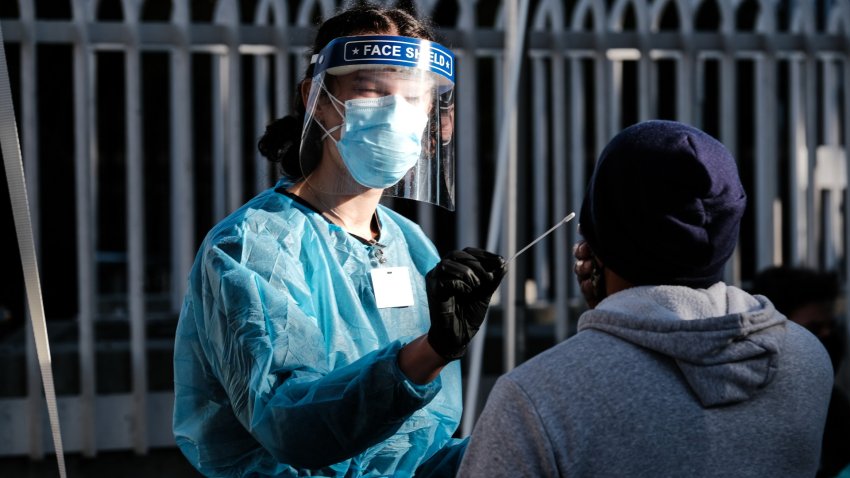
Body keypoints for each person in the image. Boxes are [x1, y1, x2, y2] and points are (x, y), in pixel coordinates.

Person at [172, 4, 506, 477]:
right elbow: (289, 425)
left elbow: (416, 453)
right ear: (318, 97)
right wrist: (427, 352)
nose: (395, 113)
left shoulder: (409, 245)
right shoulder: (253, 248)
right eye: (371, 90)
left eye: (413, 97)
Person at [457, 120, 834, 477]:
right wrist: (616, 325)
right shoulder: (806, 359)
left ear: (593, 246)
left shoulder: (536, 397)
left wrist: (611, 325)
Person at [751, 266, 850, 478]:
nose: (827, 335)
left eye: (830, 326)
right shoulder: (748, 402)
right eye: (814, 328)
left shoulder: (834, 404)